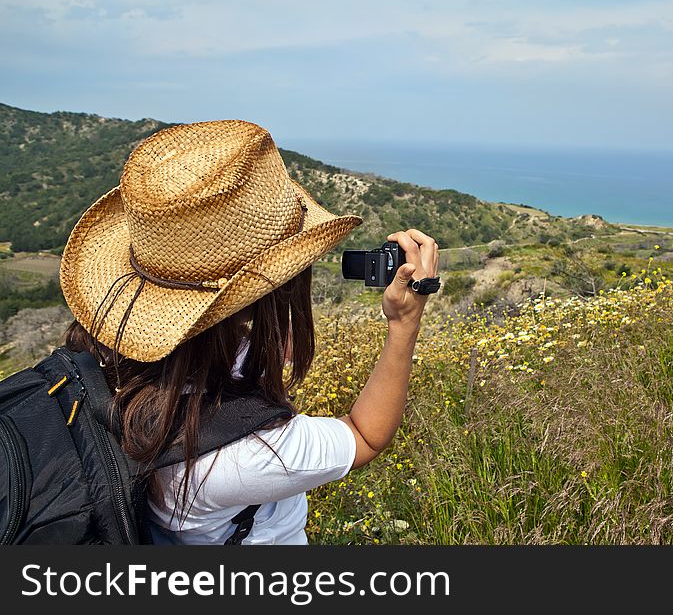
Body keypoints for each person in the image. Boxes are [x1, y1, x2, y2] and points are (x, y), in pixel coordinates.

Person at [57, 119, 439, 544]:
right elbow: (365, 434)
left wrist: (260, 339)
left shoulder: (106, 356)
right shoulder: (247, 456)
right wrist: (403, 326)